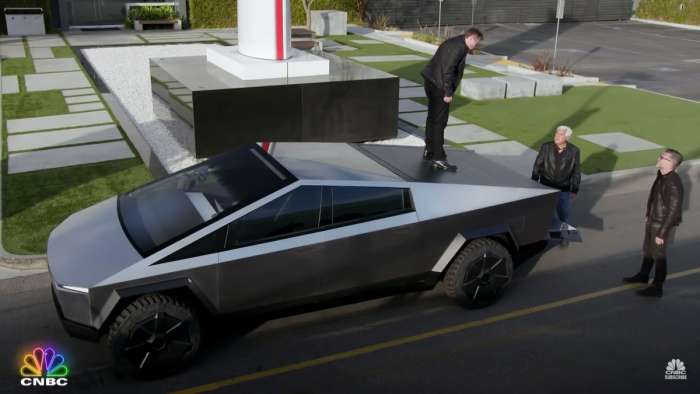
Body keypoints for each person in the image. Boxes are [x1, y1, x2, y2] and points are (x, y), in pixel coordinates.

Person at [623, 149, 684, 298]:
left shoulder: (673, 183)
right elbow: (654, 197)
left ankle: (657, 287)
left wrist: (662, 233)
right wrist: (648, 214)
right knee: (648, 250)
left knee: (659, 256)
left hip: (660, 223)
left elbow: (673, 211)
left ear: (670, 163)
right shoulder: (661, 175)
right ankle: (643, 275)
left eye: (662, 157)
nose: (658, 158)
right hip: (653, 219)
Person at [421, 27, 483, 170]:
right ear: (472, 38)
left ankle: (429, 151)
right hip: (439, 86)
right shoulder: (459, 47)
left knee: (432, 118)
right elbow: (448, 71)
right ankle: (438, 157)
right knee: (439, 122)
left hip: (431, 81)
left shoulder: (456, 42)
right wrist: (448, 93)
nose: (476, 45)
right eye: (476, 42)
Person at [531, 125, 581, 231]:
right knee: (546, 213)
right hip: (546, 187)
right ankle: (544, 232)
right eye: (556, 133)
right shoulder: (546, 147)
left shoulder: (574, 151)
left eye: (560, 134)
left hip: (563, 190)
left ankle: (563, 233)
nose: (557, 136)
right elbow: (537, 165)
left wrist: (574, 189)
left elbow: (576, 172)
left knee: (563, 214)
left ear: (567, 138)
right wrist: (533, 183)